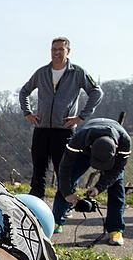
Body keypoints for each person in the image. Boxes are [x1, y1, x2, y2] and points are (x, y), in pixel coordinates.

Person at [18, 37, 103, 200]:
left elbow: (96, 92)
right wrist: (27, 113)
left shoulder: (77, 73)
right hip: (41, 129)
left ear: (68, 51)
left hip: (64, 130)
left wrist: (81, 116)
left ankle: (64, 205)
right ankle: (35, 204)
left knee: (63, 170)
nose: (56, 53)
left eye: (60, 50)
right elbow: (24, 92)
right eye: (53, 50)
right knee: (38, 169)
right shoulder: (42, 72)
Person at [51, 118, 131, 246]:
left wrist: (98, 188)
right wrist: (67, 194)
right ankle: (55, 222)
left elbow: (117, 170)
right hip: (83, 151)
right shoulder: (78, 139)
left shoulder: (124, 142)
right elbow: (65, 169)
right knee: (67, 181)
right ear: (91, 146)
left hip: (111, 156)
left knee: (117, 188)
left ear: (116, 147)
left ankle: (115, 230)